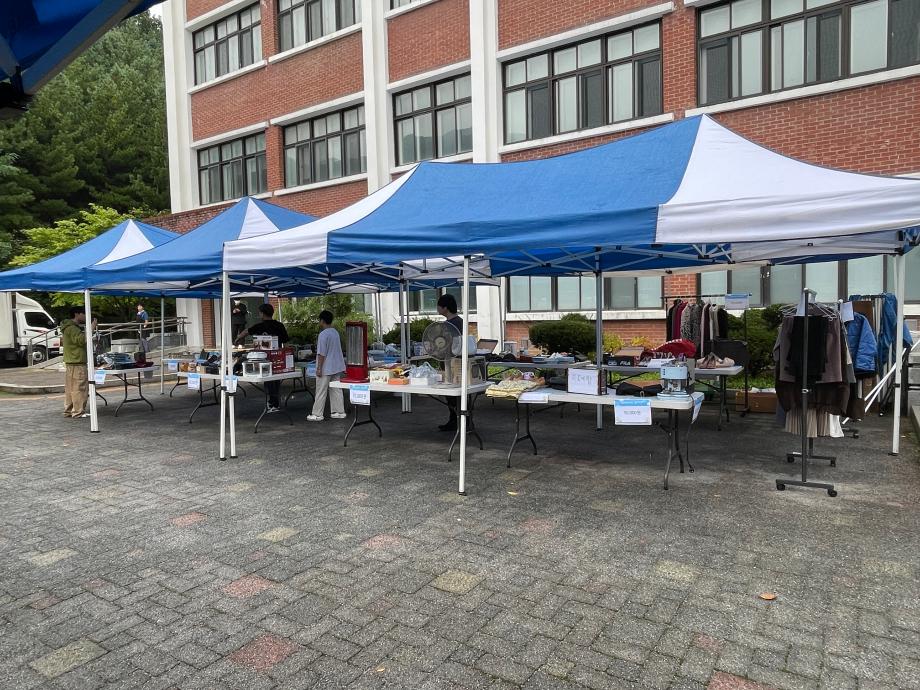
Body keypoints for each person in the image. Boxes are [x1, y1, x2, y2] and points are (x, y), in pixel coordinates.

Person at [235, 303, 289, 412]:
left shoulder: (260, 326)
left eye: (259, 312)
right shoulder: (279, 325)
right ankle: (274, 403)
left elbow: (246, 331)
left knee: (268, 380)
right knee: (275, 380)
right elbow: (286, 341)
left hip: (263, 359)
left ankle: (272, 403)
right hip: (278, 357)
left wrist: (237, 338)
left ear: (262, 314)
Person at [307, 310, 347, 422]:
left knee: (321, 391)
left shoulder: (323, 335)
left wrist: (319, 368)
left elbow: (321, 353)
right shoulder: (335, 333)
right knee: (336, 389)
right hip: (336, 366)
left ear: (322, 321)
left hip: (326, 367)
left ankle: (317, 414)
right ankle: (339, 412)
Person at [61, 306, 95, 418]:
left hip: (71, 361)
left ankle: (69, 410)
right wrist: (92, 327)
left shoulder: (67, 327)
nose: (86, 316)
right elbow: (82, 340)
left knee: (70, 388)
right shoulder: (73, 328)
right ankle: (78, 411)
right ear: (77, 314)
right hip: (77, 361)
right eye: (84, 314)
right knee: (80, 388)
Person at [436, 293, 462, 432]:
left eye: (439, 306)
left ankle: (456, 422)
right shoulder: (460, 321)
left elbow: (445, 343)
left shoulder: (449, 324)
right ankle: (459, 421)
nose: (437, 309)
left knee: (453, 395)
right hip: (457, 363)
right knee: (459, 395)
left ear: (445, 308)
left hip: (450, 363)